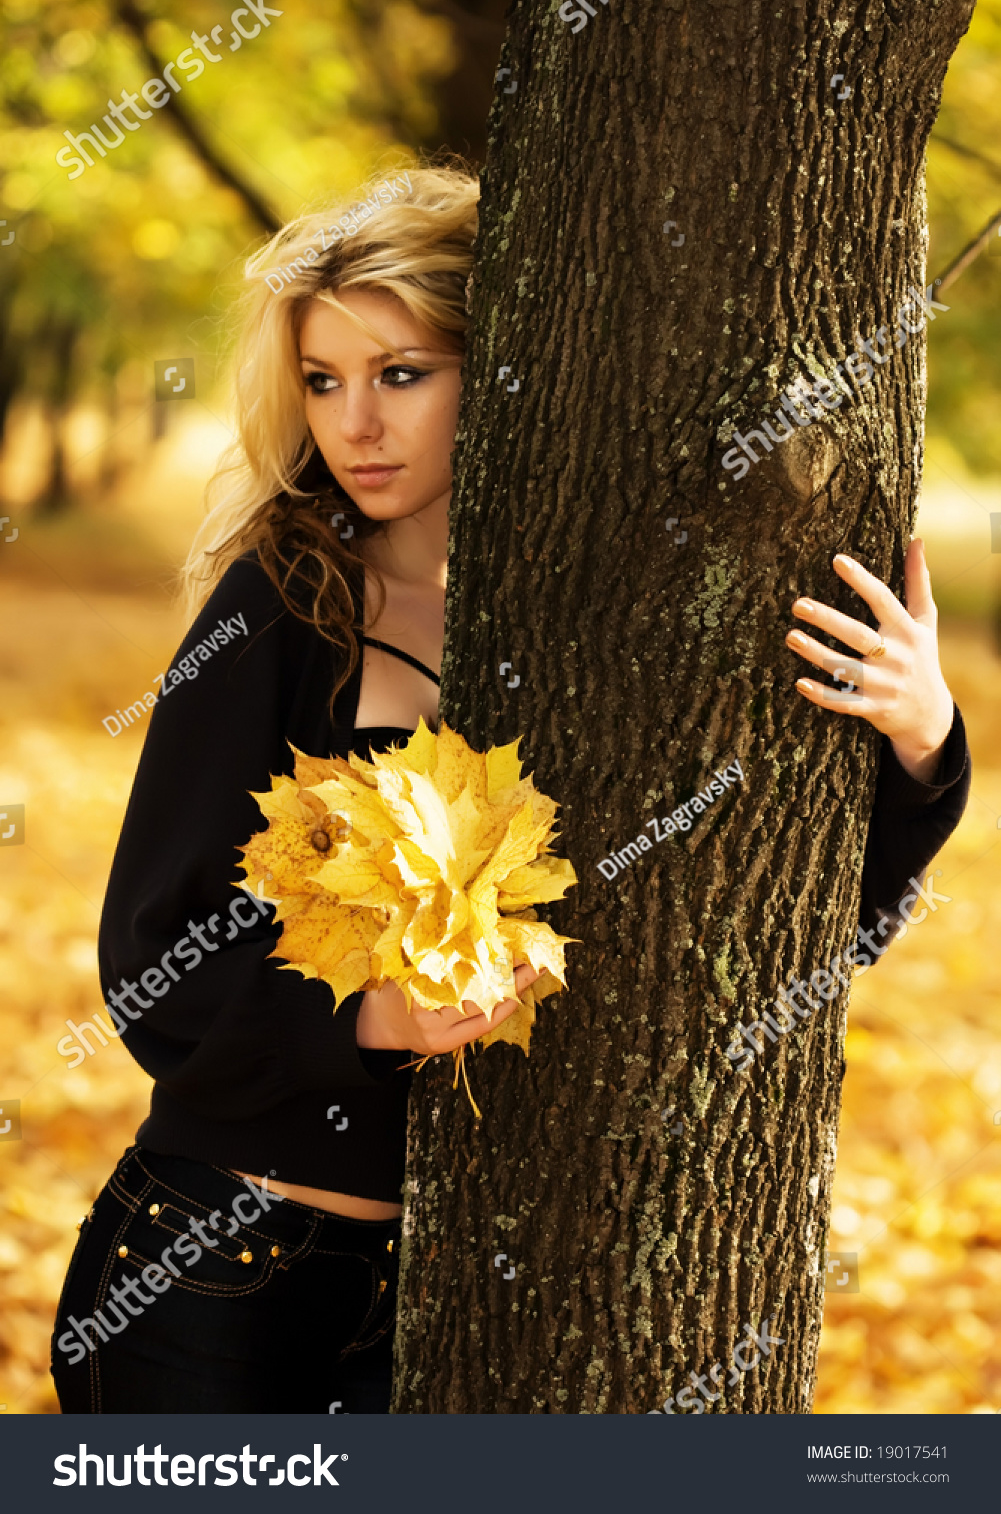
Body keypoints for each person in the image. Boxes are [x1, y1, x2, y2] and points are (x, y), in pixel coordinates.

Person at [50, 161, 970, 1414]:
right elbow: (151, 956)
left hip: (458, 1295)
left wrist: (921, 740)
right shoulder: (288, 598)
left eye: (400, 375)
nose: (353, 426)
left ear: (504, 366)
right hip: (222, 1264)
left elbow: (777, 930)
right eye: (323, 382)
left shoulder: (609, 616)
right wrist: (372, 1021)